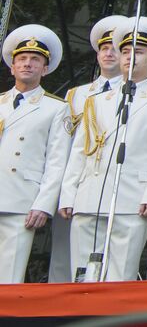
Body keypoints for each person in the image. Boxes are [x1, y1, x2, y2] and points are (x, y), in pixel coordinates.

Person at [58, 17, 147, 281]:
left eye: (137, 51)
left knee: (120, 272)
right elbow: (81, 151)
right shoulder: (96, 101)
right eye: (125, 51)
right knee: (82, 273)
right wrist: (69, 194)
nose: (129, 58)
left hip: (133, 198)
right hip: (90, 194)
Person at [49, 15, 126, 283]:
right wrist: (66, 191)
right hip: (77, 184)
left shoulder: (136, 94)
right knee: (65, 260)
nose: (109, 53)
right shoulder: (76, 95)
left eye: (116, 48)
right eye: (104, 48)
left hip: (113, 184)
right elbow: (67, 147)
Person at [0, 25, 68, 283]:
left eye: (35, 60)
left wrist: (43, 204)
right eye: (22, 59)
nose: (27, 64)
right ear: (12, 66)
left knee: (8, 275)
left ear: (45, 68)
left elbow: (56, 160)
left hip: (22, 200)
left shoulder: (55, 108)